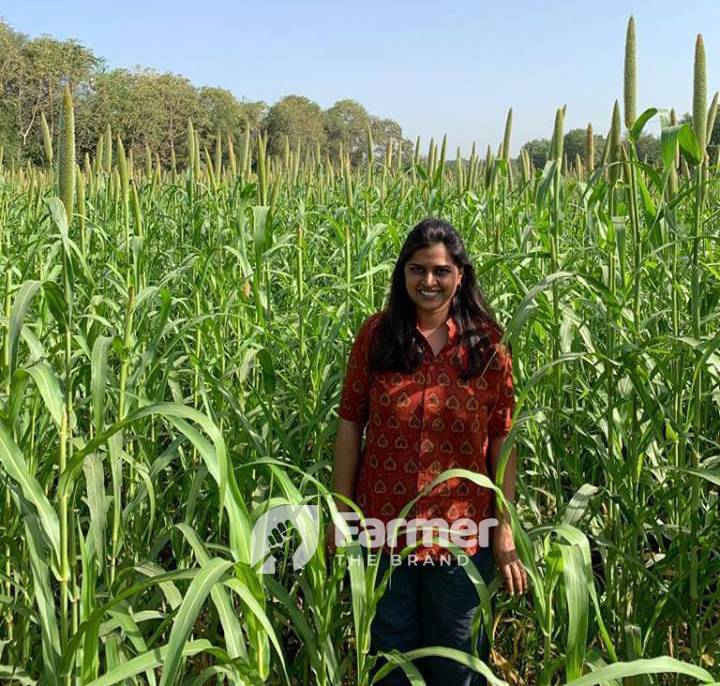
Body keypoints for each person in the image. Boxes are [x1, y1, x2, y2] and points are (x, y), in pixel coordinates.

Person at [327, 217, 528, 686]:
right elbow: (350, 423)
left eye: (440, 270)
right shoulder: (376, 336)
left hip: (461, 534)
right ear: (403, 274)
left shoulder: (488, 345)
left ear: (460, 275)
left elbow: (503, 439)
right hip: (384, 529)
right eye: (417, 270)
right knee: (390, 654)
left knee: (458, 659)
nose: (429, 281)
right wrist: (341, 514)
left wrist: (505, 530)